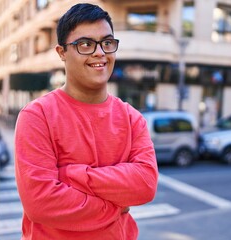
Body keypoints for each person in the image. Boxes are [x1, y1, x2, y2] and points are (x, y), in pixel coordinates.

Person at [14, 3, 158, 240]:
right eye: (85, 44)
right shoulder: (37, 116)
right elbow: (40, 202)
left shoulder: (133, 119)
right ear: (61, 52)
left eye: (107, 43)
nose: (100, 52)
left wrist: (72, 175)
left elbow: (145, 184)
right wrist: (115, 207)